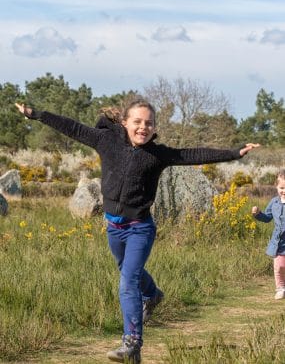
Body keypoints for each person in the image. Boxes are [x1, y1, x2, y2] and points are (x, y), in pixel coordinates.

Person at [15, 100, 259, 364]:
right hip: (113, 228)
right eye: (138, 122)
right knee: (128, 272)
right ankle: (153, 294)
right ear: (125, 123)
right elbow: (72, 127)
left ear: (154, 128)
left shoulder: (158, 154)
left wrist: (234, 153)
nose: (143, 127)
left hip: (140, 228)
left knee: (128, 281)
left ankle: (132, 344)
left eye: (149, 123)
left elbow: (192, 154)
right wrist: (37, 115)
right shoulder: (105, 140)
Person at [252, 169, 285, 300]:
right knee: (279, 266)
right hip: (278, 242)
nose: (284, 191)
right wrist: (258, 214)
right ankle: (280, 288)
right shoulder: (274, 202)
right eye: (282, 187)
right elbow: (267, 218)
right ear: (277, 187)